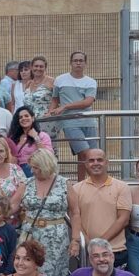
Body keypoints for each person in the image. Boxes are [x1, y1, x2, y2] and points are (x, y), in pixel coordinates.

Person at [16, 148, 83, 276]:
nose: (32, 171)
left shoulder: (64, 184)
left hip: (56, 239)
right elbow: (11, 206)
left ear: (46, 166)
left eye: (36, 168)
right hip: (30, 235)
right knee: (28, 270)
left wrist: (75, 240)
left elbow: (75, 212)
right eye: (32, 167)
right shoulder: (26, 183)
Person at [73, 149, 133, 268]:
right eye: (91, 160)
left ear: (107, 162)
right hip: (87, 252)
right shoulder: (76, 189)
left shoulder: (122, 187)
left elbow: (124, 219)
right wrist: (90, 244)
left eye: (99, 160)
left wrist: (98, 244)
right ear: (86, 164)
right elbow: (75, 218)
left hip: (115, 250)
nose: (95, 163)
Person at [49, 51, 97, 181]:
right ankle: (96, 181)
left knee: (87, 155)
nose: (78, 63)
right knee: (86, 153)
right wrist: (50, 113)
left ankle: (82, 183)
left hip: (89, 122)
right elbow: (55, 99)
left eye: (81, 60)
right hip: (70, 123)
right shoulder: (60, 80)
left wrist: (65, 106)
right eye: (75, 60)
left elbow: (88, 102)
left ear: (85, 63)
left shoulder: (91, 82)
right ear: (70, 63)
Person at [7, 106, 53, 177]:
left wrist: (36, 137)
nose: (23, 118)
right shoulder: (13, 137)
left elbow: (47, 155)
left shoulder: (42, 135)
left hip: (34, 170)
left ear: (33, 118)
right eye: (20, 117)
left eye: (26, 116)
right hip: (16, 171)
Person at [24, 55, 55, 120]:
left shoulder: (51, 81)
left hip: (46, 120)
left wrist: (50, 113)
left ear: (45, 68)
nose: (38, 68)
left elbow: (57, 100)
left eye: (41, 66)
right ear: (31, 67)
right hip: (30, 121)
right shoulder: (29, 83)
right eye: (36, 66)